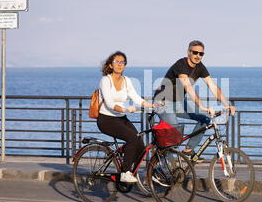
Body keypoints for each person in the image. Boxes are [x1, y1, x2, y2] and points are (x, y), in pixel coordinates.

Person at [154, 40, 235, 157]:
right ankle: (162, 171)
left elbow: (212, 86)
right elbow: (188, 87)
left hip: (179, 102)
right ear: (189, 52)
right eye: (195, 52)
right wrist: (202, 106)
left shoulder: (200, 67)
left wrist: (226, 105)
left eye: (201, 54)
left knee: (206, 118)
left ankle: (188, 150)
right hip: (163, 102)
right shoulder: (180, 65)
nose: (197, 56)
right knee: (174, 134)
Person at [97, 51, 155, 183]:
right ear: (111, 65)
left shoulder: (126, 80)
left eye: (122, 62)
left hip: (121, 119)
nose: (119, 64)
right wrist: (125, 109)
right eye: (116, 62)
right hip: (106, 119)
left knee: (140, 146)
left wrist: (153, 105)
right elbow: (110, 103)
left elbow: (136, 98)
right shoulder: (106, 80)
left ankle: (132, 171)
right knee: (131, 138)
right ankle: (125, 172)